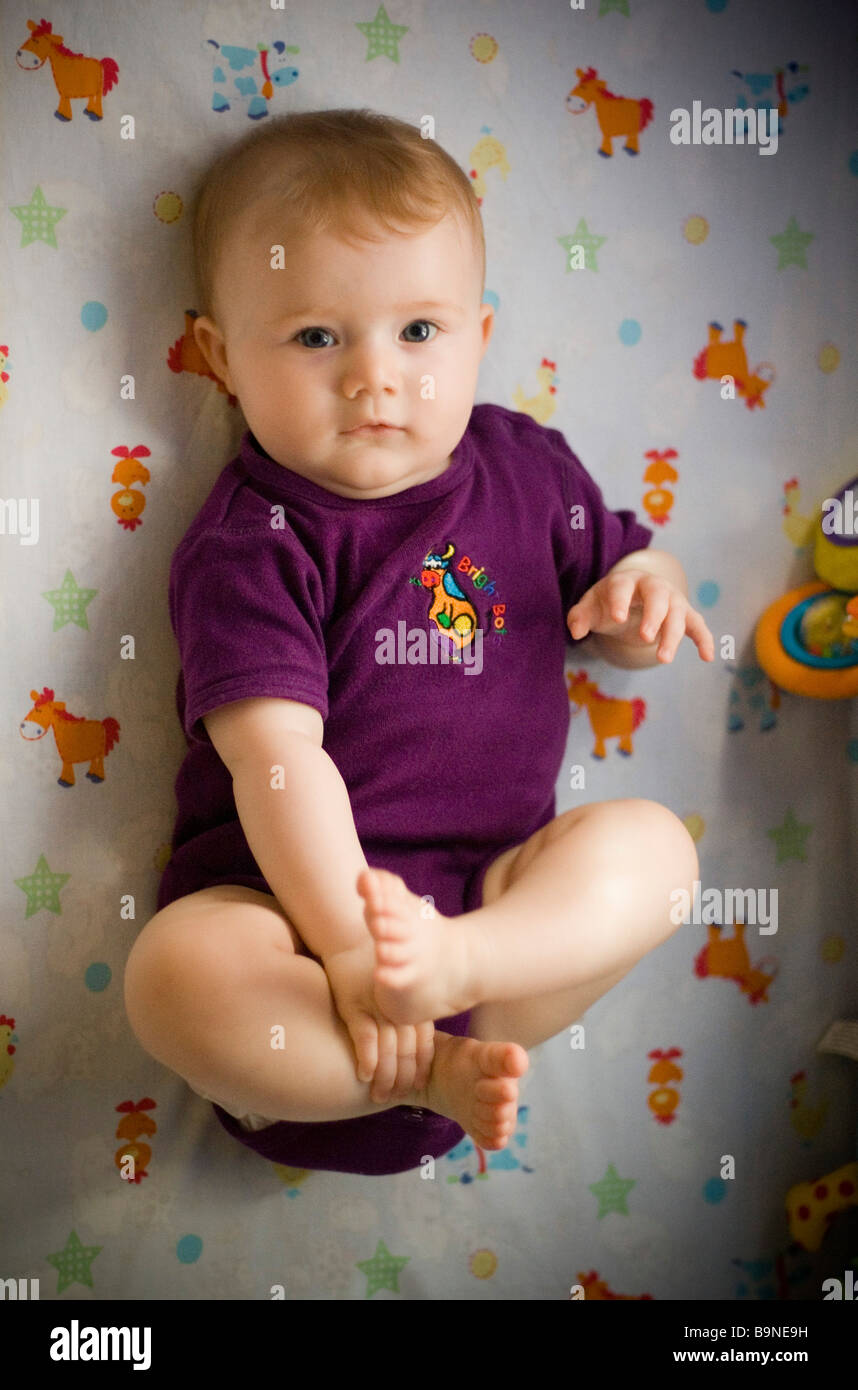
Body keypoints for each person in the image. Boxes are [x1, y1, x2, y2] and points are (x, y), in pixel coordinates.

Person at [123, 109, 714, 1176]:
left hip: (486, 938)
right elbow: (275, 759)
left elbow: (614, 608)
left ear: (480, 336)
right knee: (175, 970)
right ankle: (411, 1063)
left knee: (658, 851)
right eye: (315, 337)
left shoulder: (528, 472)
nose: (373, 376)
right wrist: (351, 952)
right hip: (293, 964)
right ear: (218, 357)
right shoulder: (253, 538)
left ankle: (452, 988)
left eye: (419, 333)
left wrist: (644, 594)